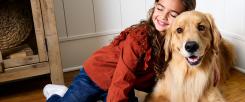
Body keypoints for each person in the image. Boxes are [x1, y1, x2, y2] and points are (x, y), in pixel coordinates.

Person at [43, 0, 196, 102]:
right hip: (96, 77)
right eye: (160, 8)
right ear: (154, 7)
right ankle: (57, 94)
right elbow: (122, 77)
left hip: (123, 84)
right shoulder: (139, 38)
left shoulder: (178, 43)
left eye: (173, 14)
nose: (162, 16)